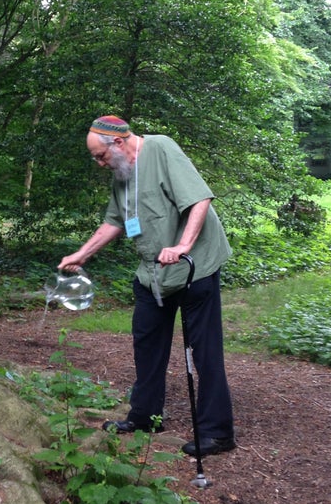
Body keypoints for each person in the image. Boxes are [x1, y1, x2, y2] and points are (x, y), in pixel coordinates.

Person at [58, 115, 236, 457]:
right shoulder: (122, 174)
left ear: (119, 143)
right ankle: (144, 416)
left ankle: (217, 431)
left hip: (192, 267)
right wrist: (81, 254)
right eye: (95, 157)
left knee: (204, 349)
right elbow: (114, 221)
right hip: (153, 273)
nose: (99, 163)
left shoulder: (162, 149)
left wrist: (183, 245)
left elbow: (200, 199)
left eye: (100, 156)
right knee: (146, 342)